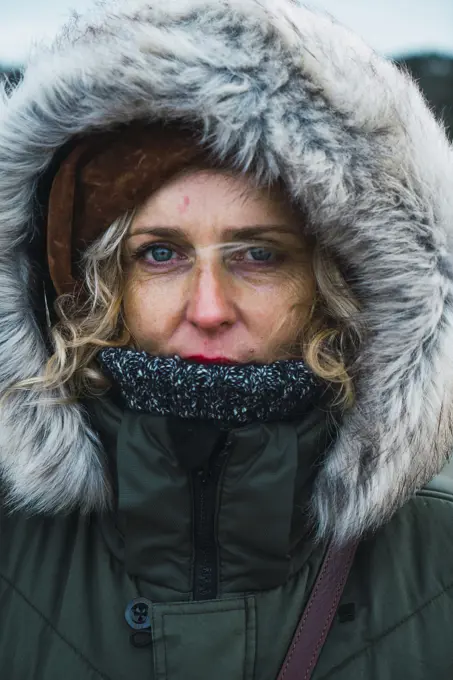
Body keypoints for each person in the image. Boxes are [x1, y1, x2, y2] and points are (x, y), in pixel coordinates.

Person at [0, 0, 453, 678]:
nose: (208, 308)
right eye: (159, 255)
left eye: (259, 255)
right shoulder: (15, 542)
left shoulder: (438, 552)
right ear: (93, 286)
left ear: (339, 282)